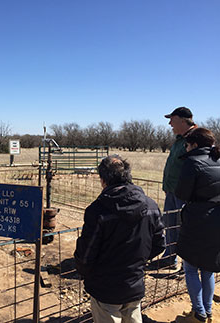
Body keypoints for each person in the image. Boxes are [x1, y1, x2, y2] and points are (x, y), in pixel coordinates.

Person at [74, 155, 165, 323]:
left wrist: (86, 271)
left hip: (105, 287)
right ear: (128, 176)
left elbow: (85, 256)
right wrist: (137, 262)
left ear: (103, 180)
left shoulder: (97, 211)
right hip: (135, 283)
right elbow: (159, 244)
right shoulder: (151, 205)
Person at [174, 128, 220, 323]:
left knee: (190, 267)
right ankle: (207, 311)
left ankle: (198, 313)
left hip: (198, 220)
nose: (185, 147)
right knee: (208, 268)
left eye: (187, 144)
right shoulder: (218, 160)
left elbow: (182, 194)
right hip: (216, 219)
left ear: (194, 144)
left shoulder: (192, 162)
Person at [153, 106, 197, 269]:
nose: (170, 123)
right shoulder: (180, 139)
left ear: (183, 120)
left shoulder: (196, 138)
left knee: (185, 228)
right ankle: (170, 258)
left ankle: (189, 264)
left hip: (185, 194)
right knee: (170, 224)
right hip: (172, 190)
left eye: (172, 119)